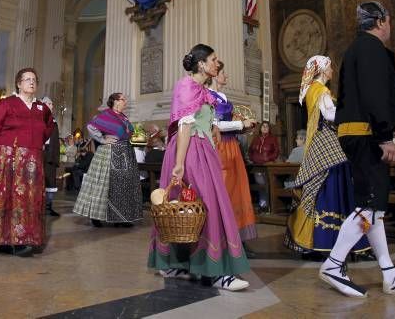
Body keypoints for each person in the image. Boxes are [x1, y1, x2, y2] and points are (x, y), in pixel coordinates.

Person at [320, 1, 395, 297]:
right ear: (380, 21)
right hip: (367, 134)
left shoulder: (358, 48)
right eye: (388, 21)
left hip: (358, 132)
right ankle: (333, 264)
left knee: (374, 207)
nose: (389, 26)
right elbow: (374, 94)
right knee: (369, 204)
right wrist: (385, 136)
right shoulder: (370, 48)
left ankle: (389, 273)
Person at [148, 44, 251, 292]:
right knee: (205, 207)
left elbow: (205, 122)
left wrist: (214, 127)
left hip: (201, 150)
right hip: (190, 151)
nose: (218, 63)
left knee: (190, 210)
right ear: (202, 64)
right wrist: (180, 164)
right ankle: (215, 273)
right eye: (214, 59)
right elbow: (184, 126)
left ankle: (179, 264)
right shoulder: (186, 86)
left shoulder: (202, 90)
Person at [285, 55, 370, 259]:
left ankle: (325, 240)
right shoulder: (320, 89)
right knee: (332, 188)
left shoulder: (314, 89)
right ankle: (330, 241)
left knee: (327, 188)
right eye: (330, 67)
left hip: (324, 143)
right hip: (328, 143)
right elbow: (331, 114)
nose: (332, 71)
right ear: (322, 69)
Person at [0, 68, 54, 257]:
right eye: (27, 79)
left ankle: (25, 238)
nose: (31, 82)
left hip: (32, 159)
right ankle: (5, 240)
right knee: (7, 197)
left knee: (30, 198)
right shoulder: (6, 103)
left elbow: (48, 129)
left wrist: (34, 143)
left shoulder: (42, 108)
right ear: (19, 84)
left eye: (34, 79)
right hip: (8, 156)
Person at [73, 92, 142, 227]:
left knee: (122, 185)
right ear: (115, 101)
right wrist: (102, 139)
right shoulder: (106, 115)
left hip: (125, 152)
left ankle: (119, 217)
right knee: (103, 185)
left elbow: (130, 133)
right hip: (109, 152)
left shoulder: (123, 117)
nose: (125, 102)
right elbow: (91, 126)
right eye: (123, 100)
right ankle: (95, 216)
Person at [207, 63, 258, 244]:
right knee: (225, 189)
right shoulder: (207, 96)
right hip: (219, 146)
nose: (226, 76)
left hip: (232, 146)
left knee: (238, 189)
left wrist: (244, 127)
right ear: (214, 76)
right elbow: (213, 125)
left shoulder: (223, 97)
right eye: (222, 73)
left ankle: (237, 237)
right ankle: (222, 237)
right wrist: (239, 125)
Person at [41, 97, 61, 217]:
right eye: (49, 103)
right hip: (42, 153)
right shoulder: (39, 118)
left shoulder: (53, 120)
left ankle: (48, 207)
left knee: (51, 181)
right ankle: (39, 206)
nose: (51, 105)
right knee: (41, 180)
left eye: (52, 103)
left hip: (51, 153)